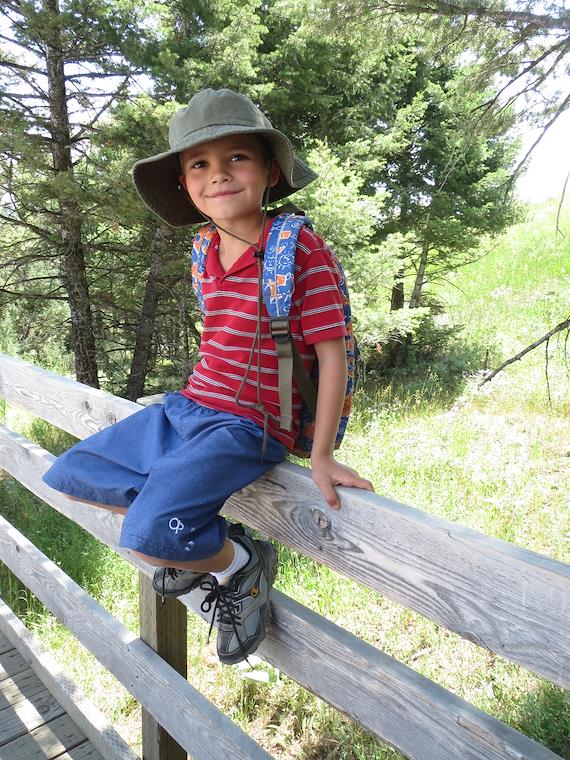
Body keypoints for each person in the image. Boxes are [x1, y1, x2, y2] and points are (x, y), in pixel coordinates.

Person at [42, 88, 374, 665]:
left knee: (149, 535)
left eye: (236, 157)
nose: (218, 174)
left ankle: (237, 565)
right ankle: (199, 541)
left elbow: (331, 354)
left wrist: (321, 454)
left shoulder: (297, 249)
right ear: (185, 184)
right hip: (191, 406)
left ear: (270, 171)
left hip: (249, 424)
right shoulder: (204, 249)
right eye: (200, 164)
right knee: (74, 473)